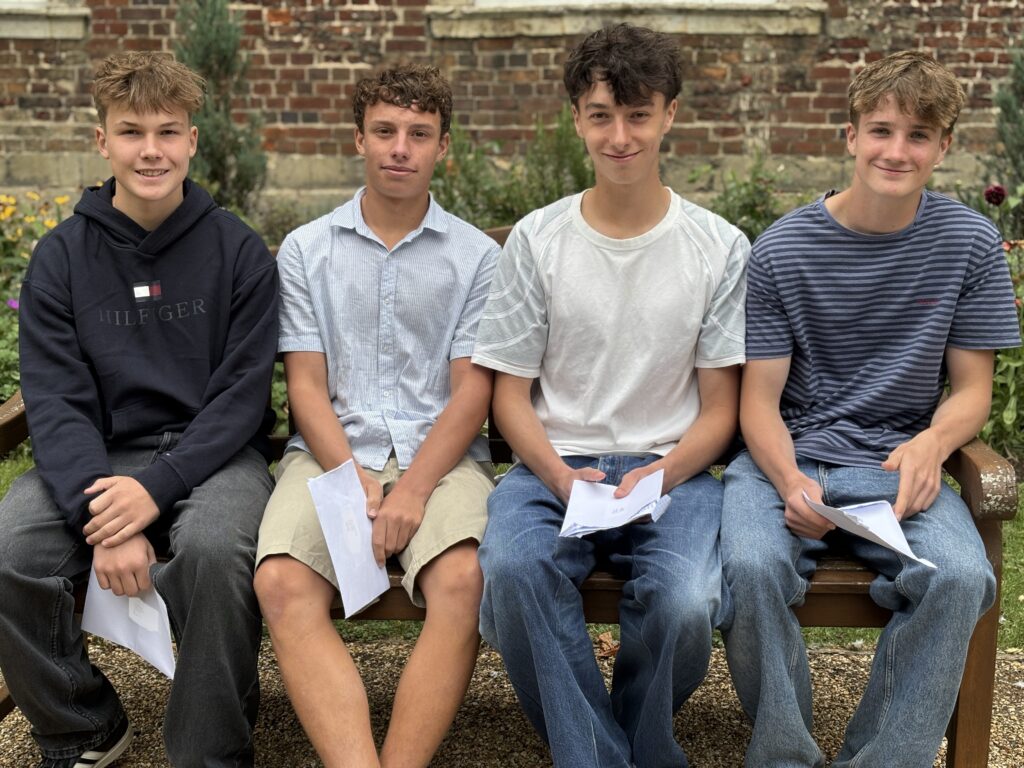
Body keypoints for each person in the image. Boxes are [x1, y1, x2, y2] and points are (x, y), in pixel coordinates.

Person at [720, 51, 1022, 768]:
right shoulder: (783, 249)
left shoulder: (970, 244)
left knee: (961, 577)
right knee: (751, 570)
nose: (897, 151)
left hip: (897, 462)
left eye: (919, 135)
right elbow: (757, 402)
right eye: (881, 130)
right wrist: (789, 480)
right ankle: (785, 757)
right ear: (851, 135)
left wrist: (931, 445)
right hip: (788, 457)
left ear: (943, 147)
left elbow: (971, 390)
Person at [471, 23, 748, 768]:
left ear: (670, 115)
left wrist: (662, 473)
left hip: (672, 470)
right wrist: (561, 477)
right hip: (552, 467)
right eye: (601, 115)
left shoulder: (718, 246)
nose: (619, 136)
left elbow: (721, 409)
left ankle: (612, 746)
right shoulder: (538, 240)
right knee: (513, 571)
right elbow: (509, 396)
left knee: (685, 601)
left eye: (637, 115)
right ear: (577, 119)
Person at [0, 51, 279, 767]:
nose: (151, 150)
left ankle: (210, 752)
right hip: (99, 455)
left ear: (192, 140)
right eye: (131, 132)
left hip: (214, 456)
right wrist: (104, 513)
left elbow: (241, 398)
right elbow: (57, 399)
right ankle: (82, 726)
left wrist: (154, 490)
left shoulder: (238, 251)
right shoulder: (61, 258)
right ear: (103, 141)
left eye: (167, 131)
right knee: (9, 548)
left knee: (215, 550)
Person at [252, 64, 499, 768]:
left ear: (443, 146)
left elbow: (471, 394)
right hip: (329, 450)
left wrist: (412, 489)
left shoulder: (477, 257)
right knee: (281, 581)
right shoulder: (308, 250)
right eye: (385, 131)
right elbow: (305, 384)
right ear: (358, 138)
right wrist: (350, 476)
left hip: (441, 458)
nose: (400, 148)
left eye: (419, 134)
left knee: (463, 580)